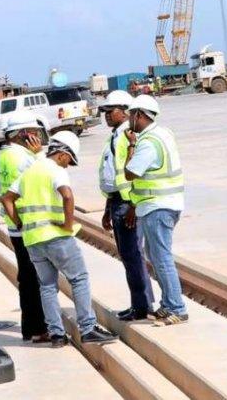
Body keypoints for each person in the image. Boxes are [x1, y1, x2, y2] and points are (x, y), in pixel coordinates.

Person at [1, 132, 118, 347]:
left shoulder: (28, 172)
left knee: (47, 286)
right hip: (56, 237)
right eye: (69, 161)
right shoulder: (55, 170)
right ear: (63, 154)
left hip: (33, 240)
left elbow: (6, 198)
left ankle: (56, 334)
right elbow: (67, 196)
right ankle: (88, 328)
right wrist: (67, 224)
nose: (68, 166)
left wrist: (18, 222)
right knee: (79, 278)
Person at [0, 111, 48, 342]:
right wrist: (39, 157)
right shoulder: (26, 158)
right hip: (30, 222)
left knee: (26, 275)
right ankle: (38, 328)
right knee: (36, 277)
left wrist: (2, 191)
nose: (37, 137)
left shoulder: (3, 156)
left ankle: (31, 327)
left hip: (14, 223)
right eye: (35, 133)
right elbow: (43, 176)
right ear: (24, 134)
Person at [123, 95, 188, 326]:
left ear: (139, 115)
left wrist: (131, 145)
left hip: (157, 205)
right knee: (156, 256)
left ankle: (177, 308)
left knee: (162, 259)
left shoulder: (148, 142)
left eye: (131, 114)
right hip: (165, 203)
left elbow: (131, 172)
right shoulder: (164, 133)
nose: (129, 119)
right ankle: (168, 303)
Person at [98, 91, 154, 321]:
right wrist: (107, 208)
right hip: (117, 202)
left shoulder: (126, 137)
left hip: (126, 203)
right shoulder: (115, 136)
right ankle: (139, 303)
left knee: (133, 256)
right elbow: (113, 176)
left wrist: (132, 204)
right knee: (129, 256)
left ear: (124, 111)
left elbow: (134, 174)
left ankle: (142, 306)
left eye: (109, 112)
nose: (106, 116)